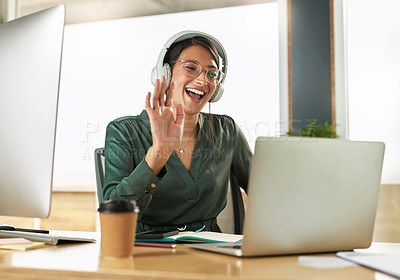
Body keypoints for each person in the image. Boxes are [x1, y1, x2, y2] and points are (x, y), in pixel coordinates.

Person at [103, 31, 252, 233]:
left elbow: (263, 190)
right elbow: (114, 211)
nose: (203, 81)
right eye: (191, 68)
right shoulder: (124, 131)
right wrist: (160, 152)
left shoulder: (226, 130)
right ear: (165, 73)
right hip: (146, 250)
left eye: (212, 73)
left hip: (212, 252)